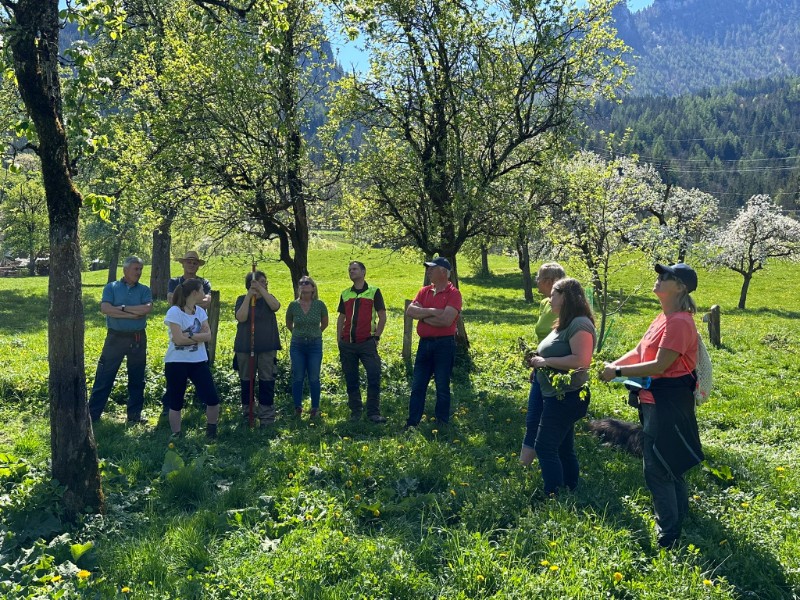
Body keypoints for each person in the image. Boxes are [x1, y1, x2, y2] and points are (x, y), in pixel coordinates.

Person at [601, 263, 703, 549]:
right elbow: (639, 351)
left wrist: (618, 374)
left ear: (680, 287)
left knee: (657, 466)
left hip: (666, 401)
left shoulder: (680, 322)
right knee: (668, 460)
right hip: (654, 399)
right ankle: (679, 516)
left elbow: (660, 365)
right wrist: (613, 366)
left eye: (665, 276)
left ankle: (668, 533)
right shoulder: (663, 317)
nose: (658, 279)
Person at [526, 278, 596, 496]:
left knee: (545, 447)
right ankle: (570, 489)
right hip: (556, 395)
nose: (550, 298)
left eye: (554, 294)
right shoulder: (564, 322)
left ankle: (553, 496)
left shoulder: (580, 324)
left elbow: (581, 361)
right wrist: (539, 365)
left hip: (567, 396)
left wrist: (545, 362)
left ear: (566, 296)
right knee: (563, 448)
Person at [89, 256, 153, 424]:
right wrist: (133, 314)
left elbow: (146, 309)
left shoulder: (144, 290)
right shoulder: (112, 287)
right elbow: (105, 308)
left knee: (137, 378)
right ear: (125, 270)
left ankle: (134, 416)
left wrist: (122, 308)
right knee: (104, 376)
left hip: (137, 338)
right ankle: (92, 415)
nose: (139, 272)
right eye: (135, 269)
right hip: (115, 338)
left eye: (140, 269)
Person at [404, 257, 462, 428]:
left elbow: (446, 320)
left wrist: (423, 317)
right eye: (428, 269)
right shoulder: (424, 291)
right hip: (424, 344)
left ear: (443, 272)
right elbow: (410, 311)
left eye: (432, 268)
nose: (428, 271)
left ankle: (442, 423)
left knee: (442, 385)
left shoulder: (454, 294)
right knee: (418, 385)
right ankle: (412, 422)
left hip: (444, 345)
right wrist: (433, 311)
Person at [520, 262, 566, 465]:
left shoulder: (566, 307)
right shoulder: (545, 304)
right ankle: (524, 465)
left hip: (560, 371)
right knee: (533, 418)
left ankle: (556, 465)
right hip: (541, 369)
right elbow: (544, 338)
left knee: (555, 423)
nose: (536, 282)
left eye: (538, 278)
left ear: (549, 281)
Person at [164, 278, 221, 439]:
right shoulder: (174, 312)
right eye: (202, 290)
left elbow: (208, 335)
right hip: (176, 362)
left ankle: (211, 431)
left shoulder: (200, 312)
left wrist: (188, 335)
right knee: (176, 401)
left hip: (198, 362)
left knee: (212, 398)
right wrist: (197, 337)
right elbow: (178, 340)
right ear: (195, 293)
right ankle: (176, 434)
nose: (205, 293)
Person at [337, 261, 388, 423]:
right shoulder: (345, 294)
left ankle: (373, 412)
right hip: (348, 344)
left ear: (363, 272)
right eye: (349, 269)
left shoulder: (374, 292)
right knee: (351, 378)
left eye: (355, 269)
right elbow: (341, 318)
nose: (351, 272)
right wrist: (339, 339)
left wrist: (377, 337)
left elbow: (382, 316)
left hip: (367, 343)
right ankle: (356, 412)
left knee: (374, 375)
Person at [234, 270, 281, 426]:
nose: (264, 284)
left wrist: (261, 291)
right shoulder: (242, 299)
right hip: (245, 347)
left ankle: (267, 415)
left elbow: (276, 307)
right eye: (260, 281)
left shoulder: (269, 299)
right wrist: (249, 295)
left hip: (267, 346)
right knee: (247, 380)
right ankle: (249, 413)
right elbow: (241, 317)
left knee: (267, 380)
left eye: (265, 282)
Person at [286, 275, 328, 418]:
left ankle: (315, 408)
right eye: (301, 283)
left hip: (315, 345)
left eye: (306, 283)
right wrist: (298, 333)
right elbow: (289, 323)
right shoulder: (293, 305)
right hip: (297, 344)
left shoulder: (320, 305)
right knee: (298, 376)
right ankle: (297, 407)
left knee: (314, 377)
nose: (303, 285)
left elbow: (325, 323)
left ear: (313, 287)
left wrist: (315, 333)